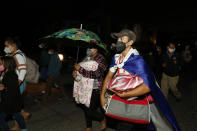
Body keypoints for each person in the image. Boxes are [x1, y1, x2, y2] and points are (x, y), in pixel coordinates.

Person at [100, 29, 180, 131]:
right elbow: (108, 76)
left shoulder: (137, 61)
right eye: (118, 38)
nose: (118, 41)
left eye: (122, 38)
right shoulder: (116, 58)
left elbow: (148, 86)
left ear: (130, 42)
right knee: (120, 125)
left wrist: (125, 94)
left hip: (135, 103)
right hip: (119, 101)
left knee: (127, 127)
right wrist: (102, 95)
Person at [72, 44, 107, 131]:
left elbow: (96, 74)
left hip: (95, 88)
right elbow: (80, 71)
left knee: (89, 110)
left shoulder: (101, 59)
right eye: (88, 47)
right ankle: (89, 127)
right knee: (85, 107)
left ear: (96, 49)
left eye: (91, 48)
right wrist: (75, 73)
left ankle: (102, 118)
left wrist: (80, 69)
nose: (88, 49)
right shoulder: (86, 58)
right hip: (84, 88)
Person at [4, 37, 31, 130]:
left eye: (7, 46)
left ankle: (18, 125)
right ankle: (24, 114)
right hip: (17, 82)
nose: (6, 48)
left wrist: (17, 84)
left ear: (14, 45)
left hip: (18, 83)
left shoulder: (17, 55)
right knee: (16, 103)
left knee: (14, 105)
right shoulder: (16, 54)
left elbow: (23, 71)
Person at [0, 56, 27, 131]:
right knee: (18, 116)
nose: (0, 64)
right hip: (14, 102)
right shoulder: (6, 72)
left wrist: (3, 88)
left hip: (9, 102)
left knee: (1, 118)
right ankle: (24, 129)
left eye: (1, 63)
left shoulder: (11, 75)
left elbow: (12, 88)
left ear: (6, 64)